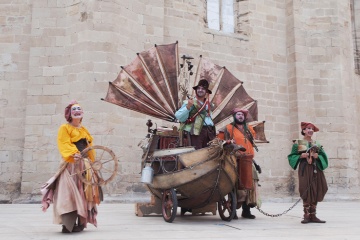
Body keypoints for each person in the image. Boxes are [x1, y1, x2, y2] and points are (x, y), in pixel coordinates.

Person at [41, 100, 101, 233]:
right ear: (70, 114)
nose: (77, 111)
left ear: (82, 114)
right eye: (74, 109)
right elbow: (64, 143)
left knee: (84, 193)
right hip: (71, 166)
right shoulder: (65, 128)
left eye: (79, 109)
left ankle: (81, 223)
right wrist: (74, 154)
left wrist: (92, 162)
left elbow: (89, 146)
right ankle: (67, 225)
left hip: (85, 166)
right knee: (69, 194)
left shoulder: (84, 129)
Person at [217, 108, 260, 219]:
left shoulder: (249, 129)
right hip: (234, 160)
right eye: (238, 114)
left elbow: (251, 141)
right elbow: (219, 142)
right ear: (234, 116)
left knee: (249, 185)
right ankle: (233, 211)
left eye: (242, 114)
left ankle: (246, 210)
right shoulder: (228, 128)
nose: (240, 116)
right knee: (234, 185)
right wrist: (228, 142)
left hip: (249, 160)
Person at [287, 122, 328, 224]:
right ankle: (306, 215)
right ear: (304, 131)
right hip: (305, 169)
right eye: (308, 128)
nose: (310, 130)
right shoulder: (298, 143)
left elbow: (324, 156)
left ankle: (313, 215)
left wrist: (318, 156)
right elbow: (291, 156)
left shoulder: (317, 144)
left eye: (312, 129)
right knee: (305, 188)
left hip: (316, 169)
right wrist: (301, 156)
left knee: (316, 189)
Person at [175, 79, 215, 149]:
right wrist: (188, 107)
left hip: (209, 132)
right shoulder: (190, 101)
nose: (200, 90)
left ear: (206, 91)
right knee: (197, 155)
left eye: (203, 89)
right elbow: (178, 116)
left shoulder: (208, 104)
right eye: (198, 88)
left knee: (208, 155)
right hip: (196, 132)